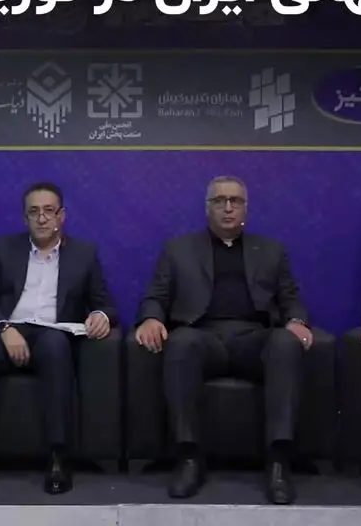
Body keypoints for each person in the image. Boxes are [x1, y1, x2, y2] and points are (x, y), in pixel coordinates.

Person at [133, 176, 315, 505]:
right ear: (208, 209)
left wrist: (297, 322)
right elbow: (155, 296)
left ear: (246, 208)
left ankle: (278, 461)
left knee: (285, 344)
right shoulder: (178, 250)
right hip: (202, 337)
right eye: (220, 201)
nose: (228, 208)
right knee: (181, 343)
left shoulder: (271, 251)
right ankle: (190, 457)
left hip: (254, 338)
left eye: (235, 201)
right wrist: (151, 318)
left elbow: (291, 299)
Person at [0, 181, 118, 496]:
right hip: (7, 329)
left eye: (49, 211)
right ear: (24, 218)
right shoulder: (1, 249)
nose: (42, 218)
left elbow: (105, 303)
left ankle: (58, 457)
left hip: (51, 333)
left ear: (61, 216)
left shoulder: (84, 254)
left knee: (56, 347)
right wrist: (5, 328)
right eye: (34, 212)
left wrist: (101, 316)